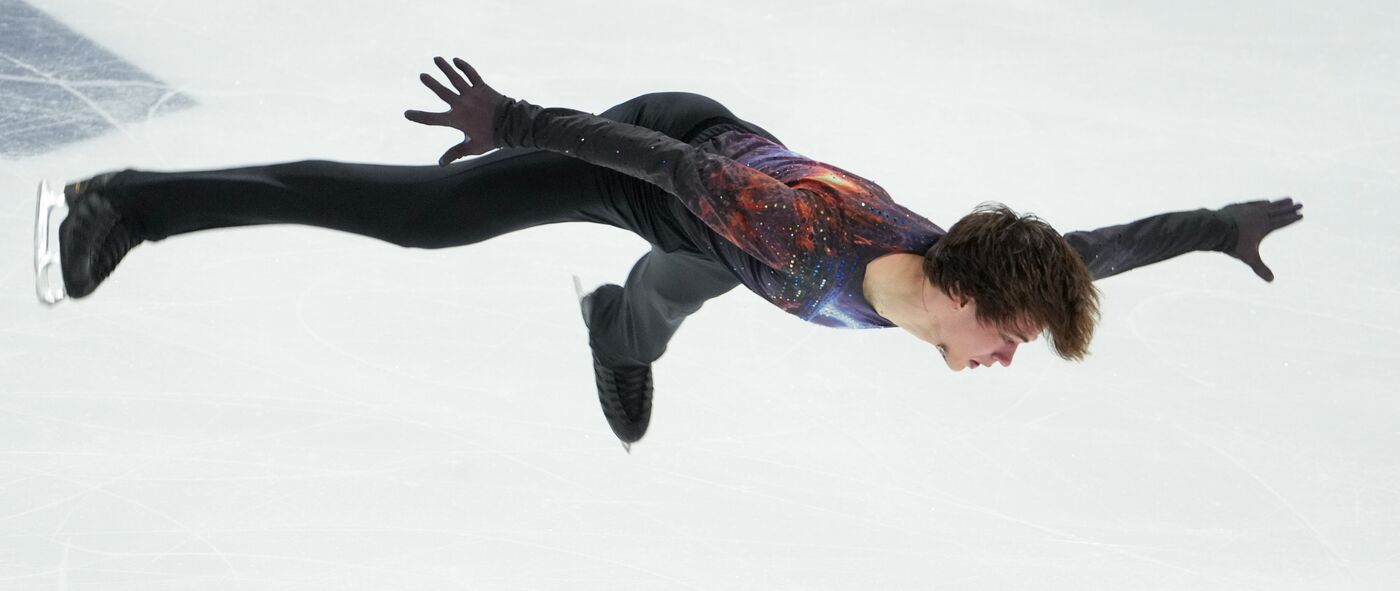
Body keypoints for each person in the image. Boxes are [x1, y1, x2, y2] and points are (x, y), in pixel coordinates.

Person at [44, 56, 1302, 450]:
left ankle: (611, 327)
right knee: (417, 218)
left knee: (667, 297)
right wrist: (516, 127)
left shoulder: (969, 272)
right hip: (665, 164)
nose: (1004, 356)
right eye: (1009, 338)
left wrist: (1214, 229)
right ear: (965, 294)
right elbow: (662, 174)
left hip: (733, 233)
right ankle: (131, 200)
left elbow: (1104, 248)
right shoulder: (798, 233)